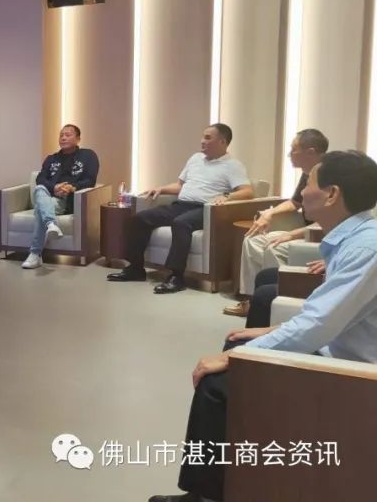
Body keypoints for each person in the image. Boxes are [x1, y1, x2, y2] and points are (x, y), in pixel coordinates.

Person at [149, 150, 377, 502]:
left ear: (332, 194)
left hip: (352, 376)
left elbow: (318, 324)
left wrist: (240, 356)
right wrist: (262, 336)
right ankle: (238, 478)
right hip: (336, 351)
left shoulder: (366, 248)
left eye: (311, 182)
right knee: (236, 344)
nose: (303, 191)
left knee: (216, 383)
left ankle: (206, 495)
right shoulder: (356, 238)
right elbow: (326, 315)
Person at [107, 124, 253, 294]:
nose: (202, 141)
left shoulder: (233, 165)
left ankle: (176, 277)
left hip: (205, 210)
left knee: (181, 223)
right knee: (140, 219)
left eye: (207, 138)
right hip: (181, 205)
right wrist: (161, 189)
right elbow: (179, 185)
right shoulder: (195, 159)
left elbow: (247, 192)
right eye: (203, 137)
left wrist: (227, 197)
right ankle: (135, 268)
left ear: (222, 142)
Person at [225, 129, 328, 316]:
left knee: (273, 245)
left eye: (293, 149)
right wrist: (270, 213)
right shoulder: (307, 174)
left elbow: (328, 222)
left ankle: (276, 297)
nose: (289, 154)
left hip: (318, 235)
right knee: (253, 239)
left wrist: (291, 234)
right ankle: (252, 298)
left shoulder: (328, 175)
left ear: (310, 152)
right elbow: (295, 202)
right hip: (304, 231)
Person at [21, 124, 100, 269]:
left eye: (68, 135)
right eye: (61, 135)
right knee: (39, 188)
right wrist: (54, 187)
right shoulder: (51, 158)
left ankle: (35, 254)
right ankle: (51, 224)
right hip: (49, 196)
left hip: (68, 200)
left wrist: (72, 187)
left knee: (40, 209)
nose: (63, 138)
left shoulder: (88, 156)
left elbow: (90, 180)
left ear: (78, 139)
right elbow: (40, 179)